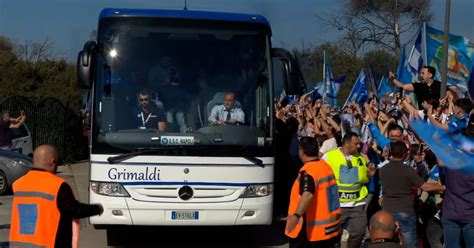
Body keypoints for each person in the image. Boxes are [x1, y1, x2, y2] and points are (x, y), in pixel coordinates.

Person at [9, 145, 103, 248]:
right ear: (53, 162)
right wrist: (97, 208)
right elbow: (75, 210)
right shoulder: (57, 186)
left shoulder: (18, 184)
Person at [379, 141, 446, 246]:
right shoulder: (408, 170)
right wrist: (443, 187)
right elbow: (425, 186)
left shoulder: (383, 169)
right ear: (405, 155)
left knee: (389, 242)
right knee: (410, 244)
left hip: (387, 211)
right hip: (405, 211)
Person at [285, 137, 341, 248]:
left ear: (302, 152)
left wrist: (296, 216)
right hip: (330, 228)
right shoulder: (326, 167)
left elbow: (307, 195)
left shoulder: (308, 172)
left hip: (312, 233)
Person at [322, 132, 375, 248]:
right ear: (346, 143)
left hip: (358, 204)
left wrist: (369, 175)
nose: (358, 146)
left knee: (359, 232)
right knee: (333, 236)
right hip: (337, 205)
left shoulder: (360, 157)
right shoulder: (329, 157)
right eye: (356, 143)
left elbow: (363, 179)